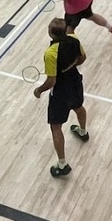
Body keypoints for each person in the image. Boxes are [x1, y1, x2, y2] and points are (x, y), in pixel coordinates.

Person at [33, 18, 89, 178]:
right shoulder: (74, 39)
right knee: (79, 107)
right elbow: (82, 58)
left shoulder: (50, 53)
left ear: (50, 33)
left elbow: (52, 81)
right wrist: (69, 67)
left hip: (60, 93)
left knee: (55, 127)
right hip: (75, 82)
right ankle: (83, 132)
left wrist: (39, 90)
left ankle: (62, 164)